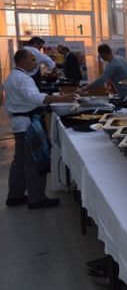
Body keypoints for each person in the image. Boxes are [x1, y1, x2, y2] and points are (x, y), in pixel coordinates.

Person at [5, 49, 76, 209]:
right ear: (22, 61)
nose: (36, 63)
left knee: (20, 160)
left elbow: (11, 103)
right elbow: (35, 98)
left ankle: (15, 195)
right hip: (29, 125)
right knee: (35, 160)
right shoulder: (24, 78)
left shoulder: (11, 77)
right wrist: (61, 98)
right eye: (32, 60)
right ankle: (36, 198)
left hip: (18, 123)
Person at [79, 44, 127, 112]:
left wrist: (83, 88)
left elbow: (100, 80)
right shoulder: (121, 58)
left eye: (100, 55)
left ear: (103, 54)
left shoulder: (112, 66)